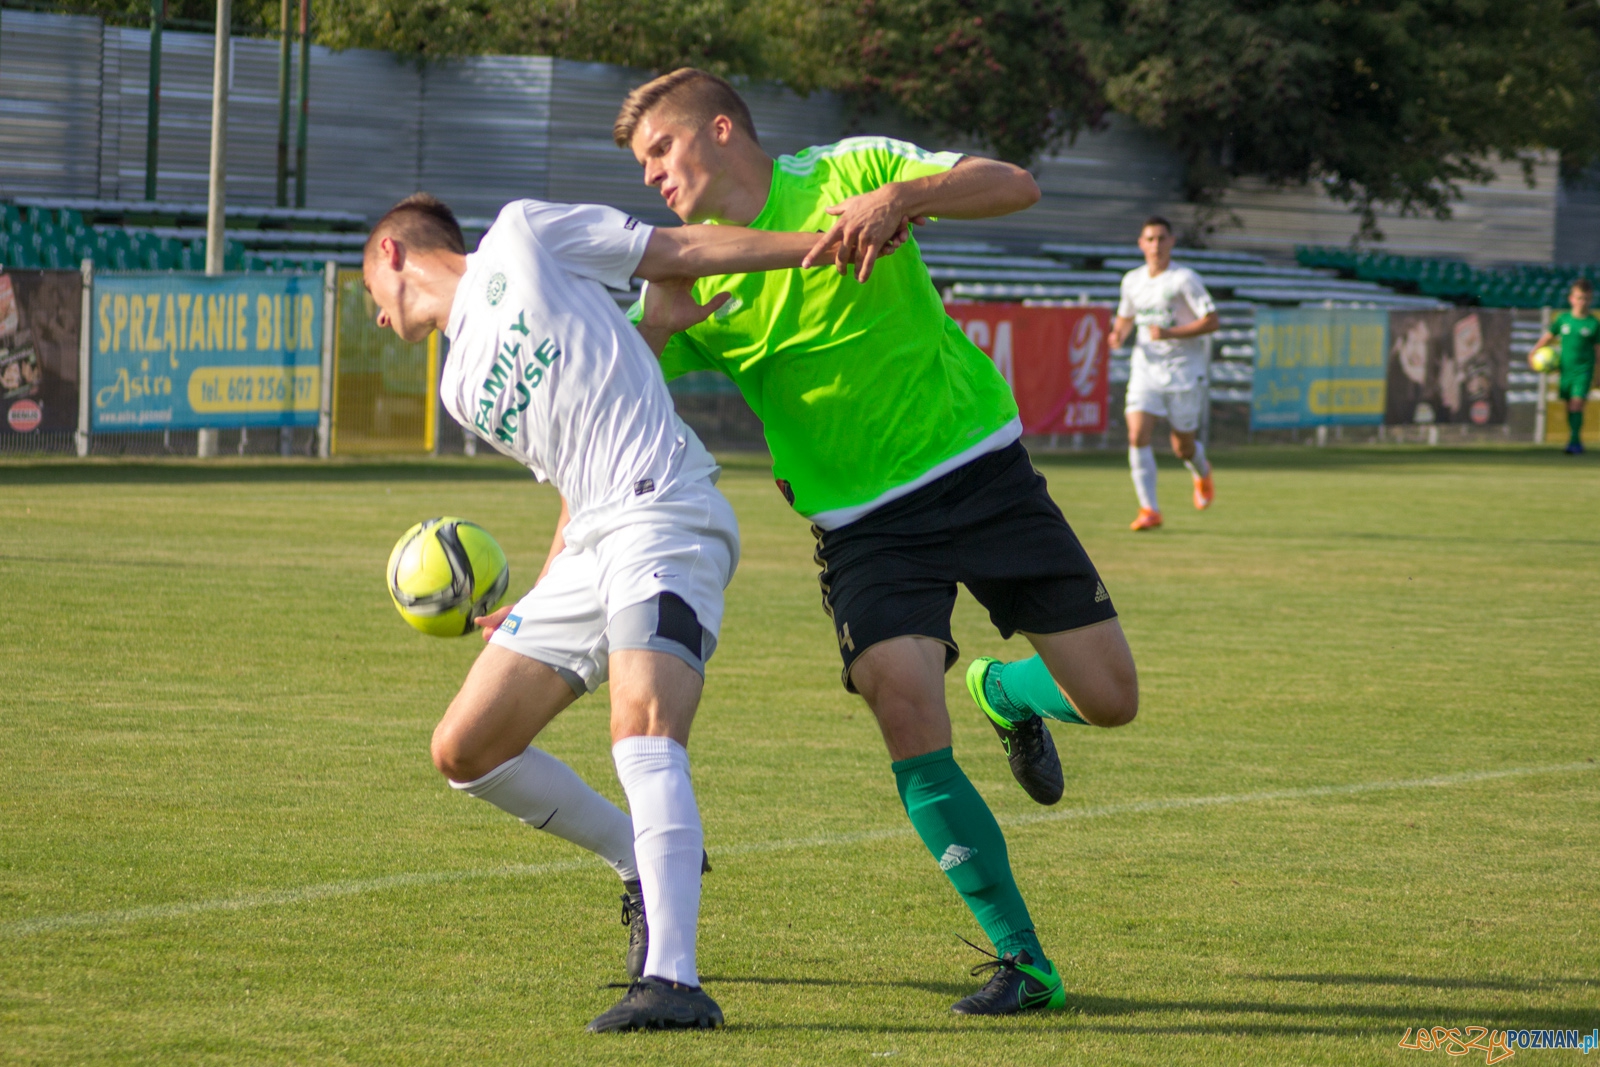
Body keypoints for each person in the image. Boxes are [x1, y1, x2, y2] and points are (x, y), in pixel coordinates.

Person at [613, 68, 1140, 1016]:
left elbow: (1014, 182)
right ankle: (1025, 961)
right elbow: (612, 399)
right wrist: (654, 328)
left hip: (983, 475)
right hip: (864, 531)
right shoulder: (686, 264)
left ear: (720, 129)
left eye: (660, 149)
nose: (651, 175)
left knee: (1110, 700)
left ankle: (1002, 688)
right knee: (905, 711)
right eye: (642, 162)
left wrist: (905, 196)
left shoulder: (849, 170)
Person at [363, 192, 858, 1033]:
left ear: (394, 251)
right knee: (464, 749)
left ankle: (674, 980)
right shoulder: (457, 387)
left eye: (369, 285)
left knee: (644, 731)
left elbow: (681, 246)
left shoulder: (521, 234)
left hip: (664, 510)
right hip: (590, 545)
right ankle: (640, 855)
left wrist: (825, 244)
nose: (375, 315)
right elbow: (574, 465)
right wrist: (546, 585)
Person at [1108, 217, 1221, 530]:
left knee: (1182, 447)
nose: (1156, 245)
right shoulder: (1131, 280)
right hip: (1146, 369)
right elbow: (1126, 317)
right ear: (1141, 244)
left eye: (1161, 238)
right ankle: (1149, 509)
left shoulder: (1184, 279)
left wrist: (1170, 332)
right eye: (1150, 239)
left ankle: (1201, 470)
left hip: (1185, 371)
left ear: (1172, 241)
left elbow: (1212, 321)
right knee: (1136, 434)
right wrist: (1117, 334)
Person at [1528, 278, 1598, 454]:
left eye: (1586, 298)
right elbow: (1547, 338)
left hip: (1583, 370)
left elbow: (1598, 351)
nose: (1582, 302)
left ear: (1590, 300)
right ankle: (1574, 439)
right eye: (1579, 297)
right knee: (1570, 406)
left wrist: (1598, 374)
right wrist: (1533, 353)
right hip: (1565, 370)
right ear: (1571, 298)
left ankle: (1574, 443)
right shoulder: (1563, 320)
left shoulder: (1593, 323)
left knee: (1576, 403)